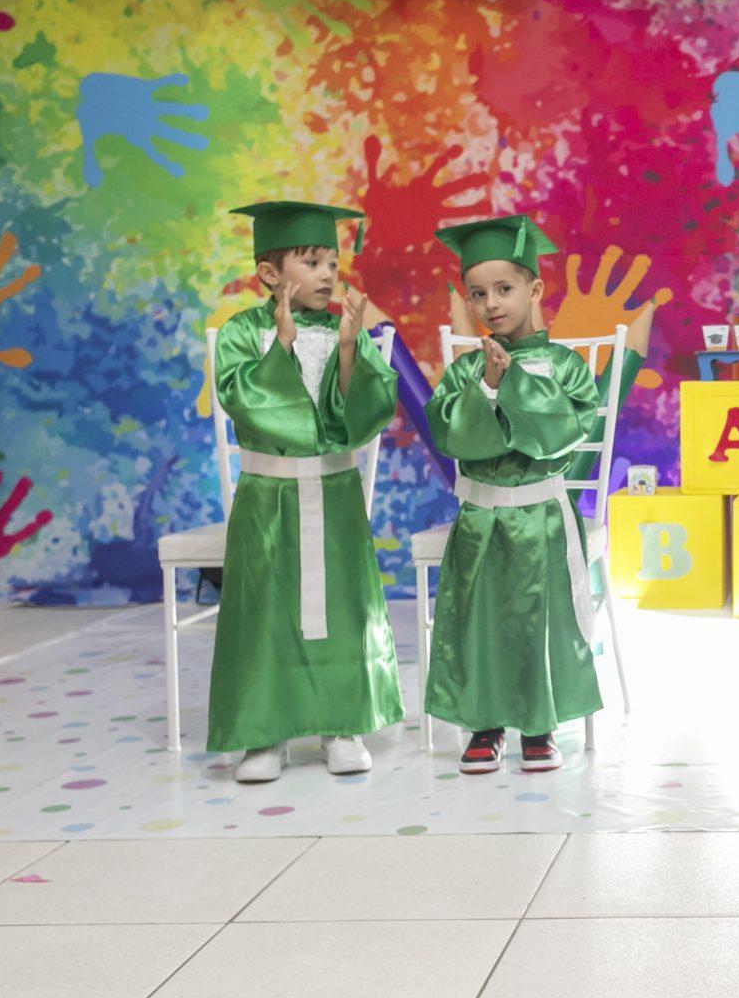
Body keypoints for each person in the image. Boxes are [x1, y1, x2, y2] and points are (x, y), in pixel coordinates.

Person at [210, 201, 402, 784]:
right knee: (264, 611)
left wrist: (346, 350)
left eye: (332, 263)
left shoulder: (344, 330)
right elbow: (244, 400)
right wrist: (283, 345)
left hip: (335, 492)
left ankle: (341, 726)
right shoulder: (243, 333)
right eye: (311, 262)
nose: (327, 275)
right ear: (270, 273)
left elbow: (364, 412)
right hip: (267, 497)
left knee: (343, 608)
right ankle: (264, 734)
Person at [425, 215, 609, 775]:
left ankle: (538, 724)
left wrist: (514, 384)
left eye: (504, 289)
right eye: (478, 293)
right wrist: (485, 386)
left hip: (541, 517)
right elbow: (450, 434)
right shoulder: (466, 370)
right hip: (481, 516)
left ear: (534, 289)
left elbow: (564, 433)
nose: (491, 304)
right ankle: (484, 724)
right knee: (477, 619)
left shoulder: (566, 366)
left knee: (538, 621)